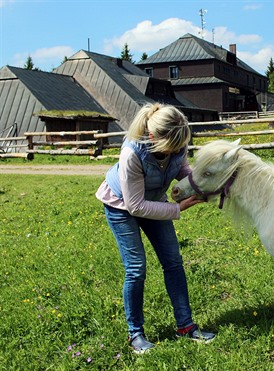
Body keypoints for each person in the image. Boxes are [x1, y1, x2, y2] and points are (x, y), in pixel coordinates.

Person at [96, 102, 215, 354]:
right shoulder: (132, 154)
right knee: (136, 268)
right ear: (153, 137)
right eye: (174, 146)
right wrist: (178, 209)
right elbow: (135, 206)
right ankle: (135, 334)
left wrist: (196, 184)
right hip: (122, 206)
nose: (179, 149)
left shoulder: (178, 144)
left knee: (173, 262)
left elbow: (182, 169)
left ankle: (186, 326)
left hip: (153, 201)